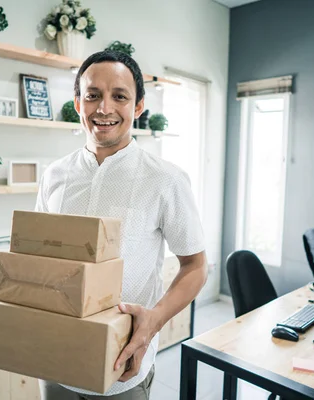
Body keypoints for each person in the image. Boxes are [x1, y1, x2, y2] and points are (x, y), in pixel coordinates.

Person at [36, 50, 207, 400]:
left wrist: (155, 319)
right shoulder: (54, 175)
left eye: (119, 96)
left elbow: (197, 266)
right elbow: (39, 256)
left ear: (138, 106)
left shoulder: (166, 180)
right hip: (55, 362)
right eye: (93, 95)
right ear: (77, 103)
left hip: (123, 369)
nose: (104, 108)